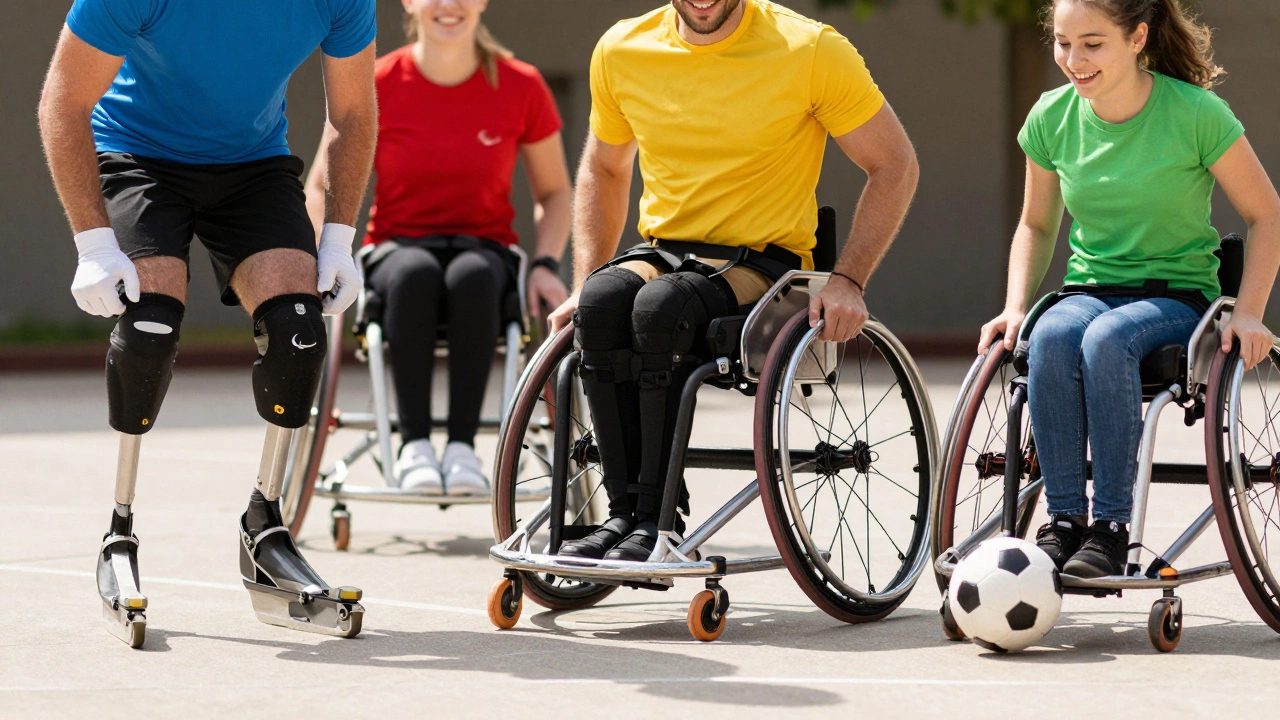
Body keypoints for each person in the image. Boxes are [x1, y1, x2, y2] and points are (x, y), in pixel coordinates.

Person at [38, 0, 377, 646]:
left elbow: (354, 113)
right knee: (149, 331)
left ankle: (264, 527)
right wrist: (92, 243)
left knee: (301, 333)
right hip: (137, 156)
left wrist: (338, 238)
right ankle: (119, 528)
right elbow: (63, 100)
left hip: (252, 165)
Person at [545, 0, 919, 562]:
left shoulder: (811, 49)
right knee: (600, 303)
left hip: (764, 265)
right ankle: (624, 516)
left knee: (659, 309)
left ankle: (656, 519)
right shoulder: (623, 48)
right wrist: (582, 279)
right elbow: (605, 166)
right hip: (664, 251)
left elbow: (895, 164)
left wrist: (848, 279)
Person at [979, 0, 1280, 578]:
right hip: (1089, 288)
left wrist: (1249, 313)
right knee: (1053, 334)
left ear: (1138, 37)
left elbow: (1265, 215)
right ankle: (1063, 523)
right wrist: (1016, 306)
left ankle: (1111, 529)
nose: (1074, 59)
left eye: (1093, 44)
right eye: (1064, 44)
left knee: (1107, 340)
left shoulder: (1196, 113)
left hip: (1177, 296)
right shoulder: (1051, 117)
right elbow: (1037, 225)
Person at [305, 0, 572, 496]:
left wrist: (545, 264)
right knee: (413, 274)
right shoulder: (377, 80)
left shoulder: (521, 85)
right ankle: (414, 446)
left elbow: (555, 193)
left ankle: (463, 448)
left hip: (486, 248)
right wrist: (324, 253)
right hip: (396, 247)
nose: (449, 6)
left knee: (471, 277)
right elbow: (319, 184)